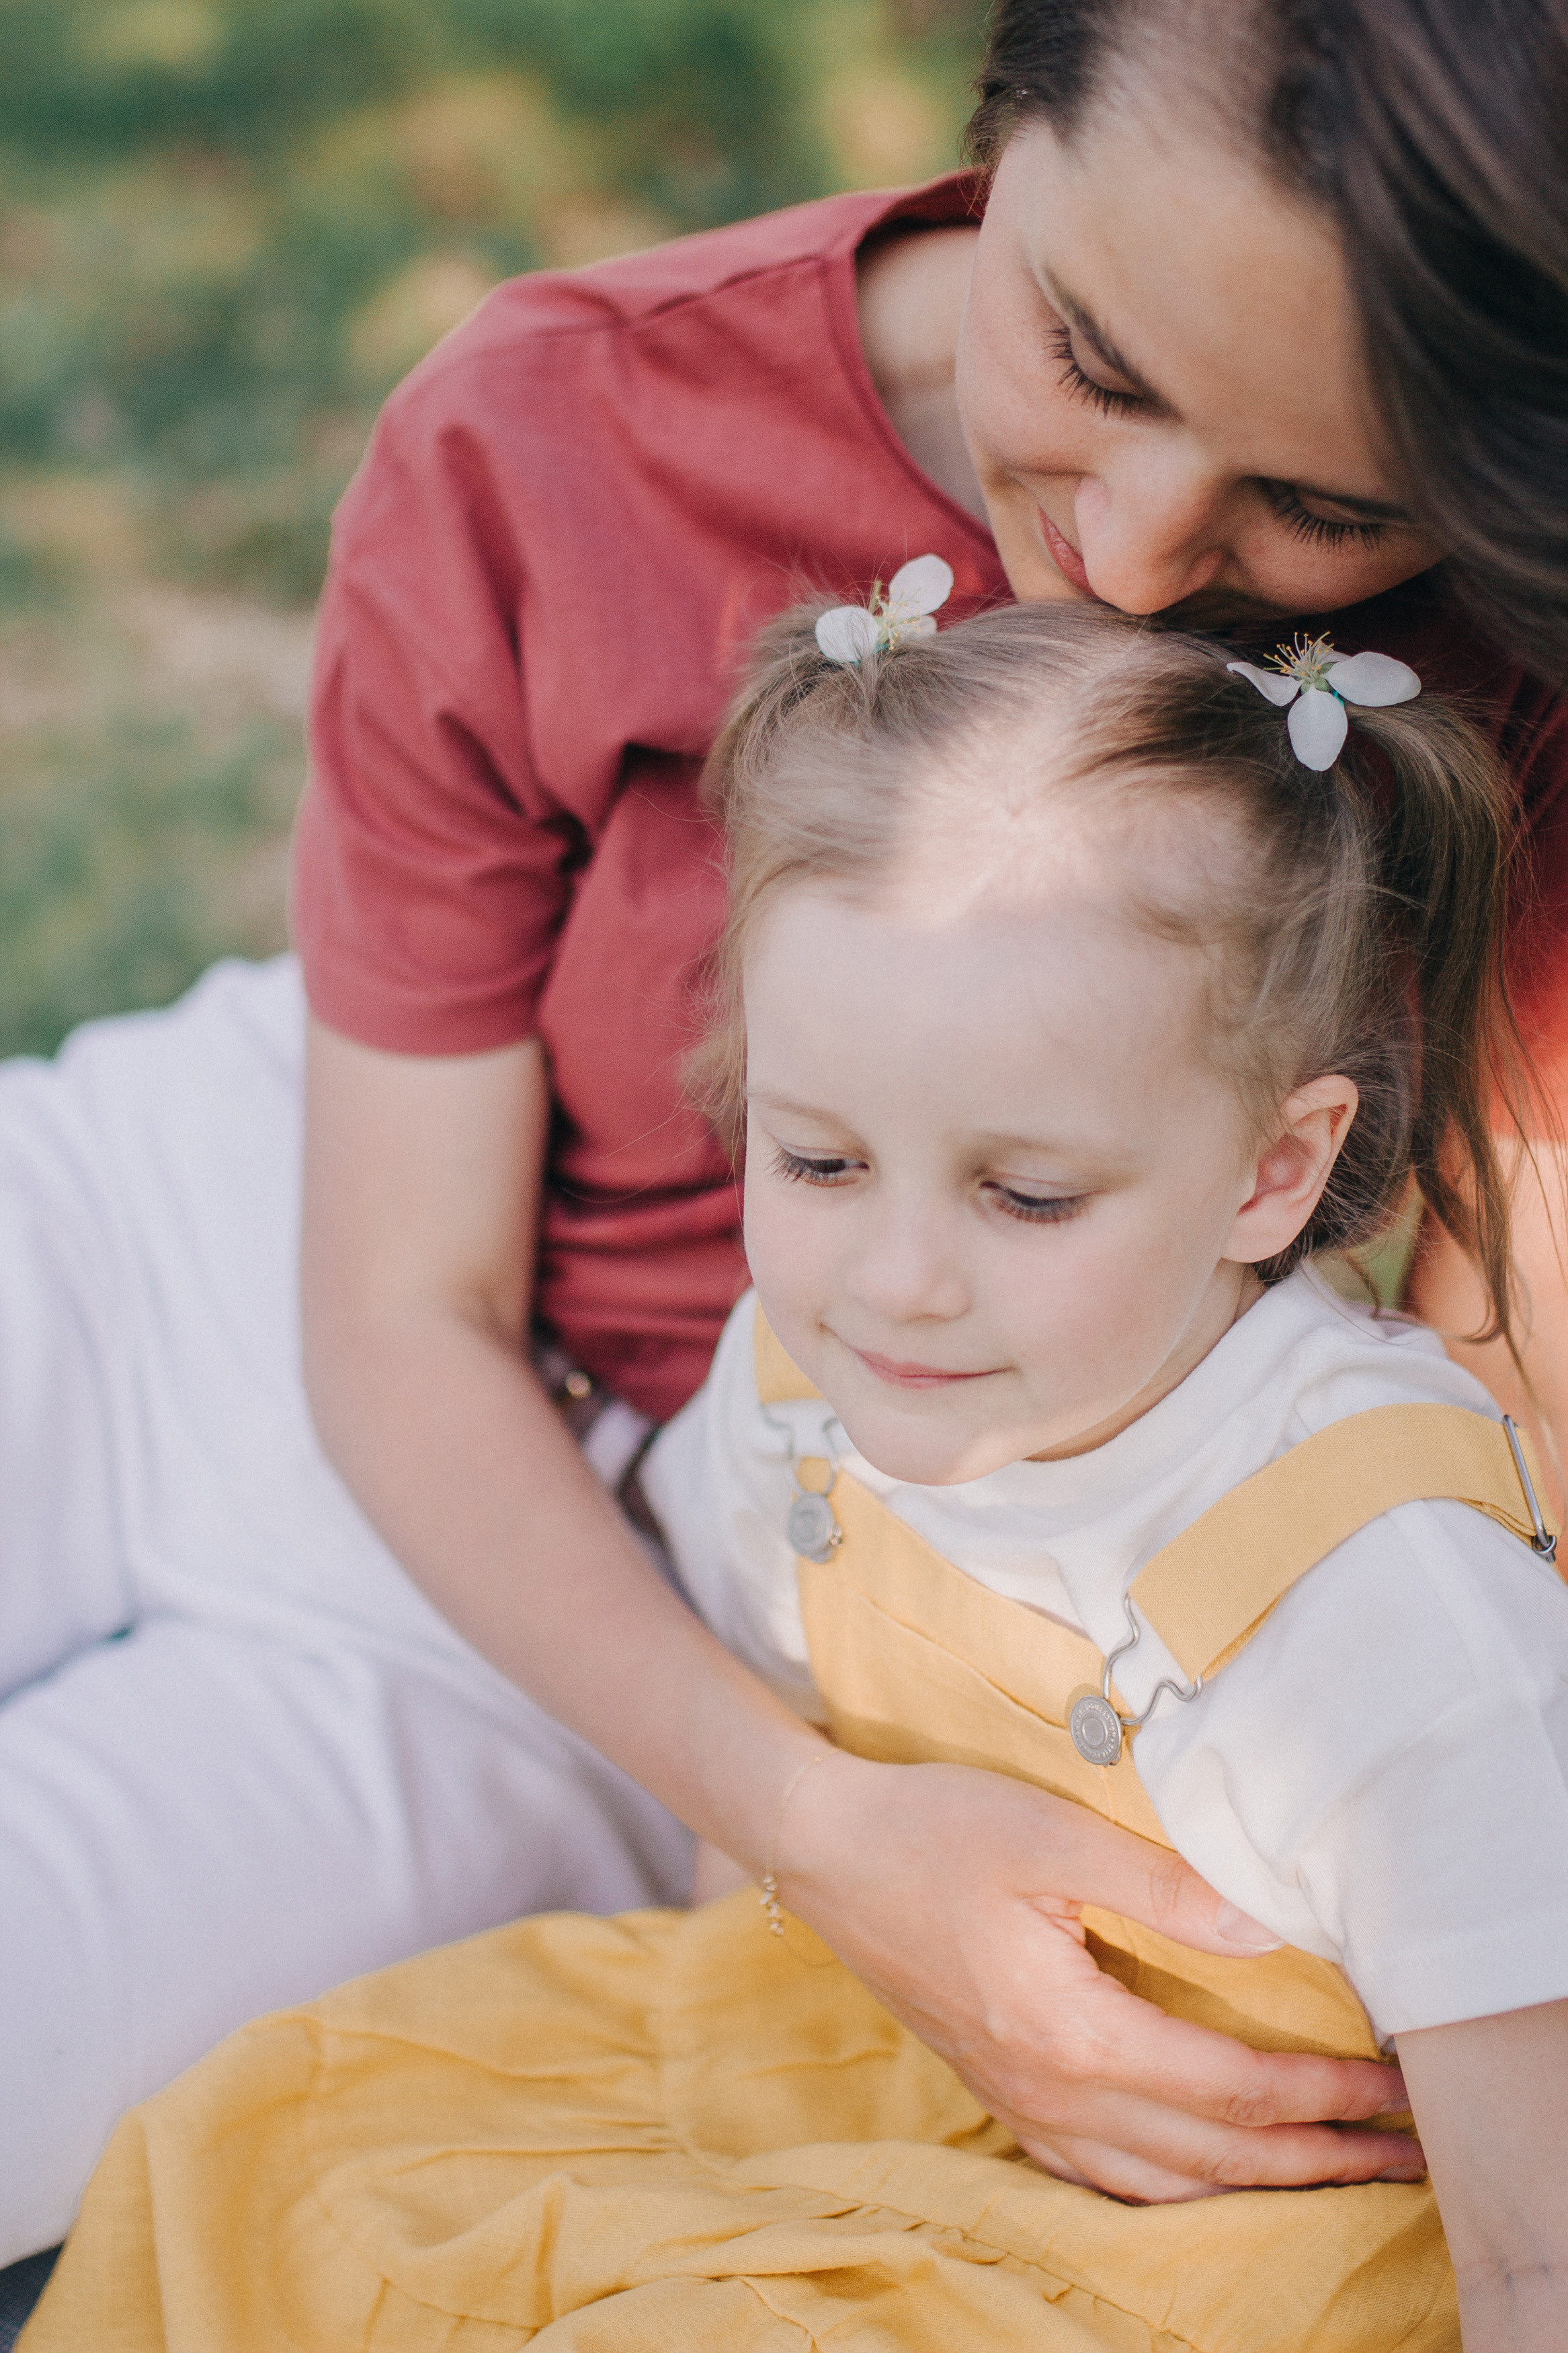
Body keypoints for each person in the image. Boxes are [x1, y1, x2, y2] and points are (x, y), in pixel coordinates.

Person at [5, 0, 1568, 2262]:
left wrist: (823, 1814)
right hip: (238, 1203)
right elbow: (392, 1304)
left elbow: (1481, 1468)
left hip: (624, 1637)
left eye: (1322, 507)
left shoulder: (1508, 688)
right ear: (1005, 121)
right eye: (1095, 362)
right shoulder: (554, 426)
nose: (1132, 557)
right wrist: (841, 1851)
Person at [28, 598, 1568, 2352]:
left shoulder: (1388, 1600)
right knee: (277, 2160)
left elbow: (1540, 2249)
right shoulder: (803, 1388)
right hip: (856, 2081)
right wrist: (681, 2120)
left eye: (1028, 1194)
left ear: (1273, 1174)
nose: (892, 1277)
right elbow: (743, 1813)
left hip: (1217, 2263)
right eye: (821, 1156)